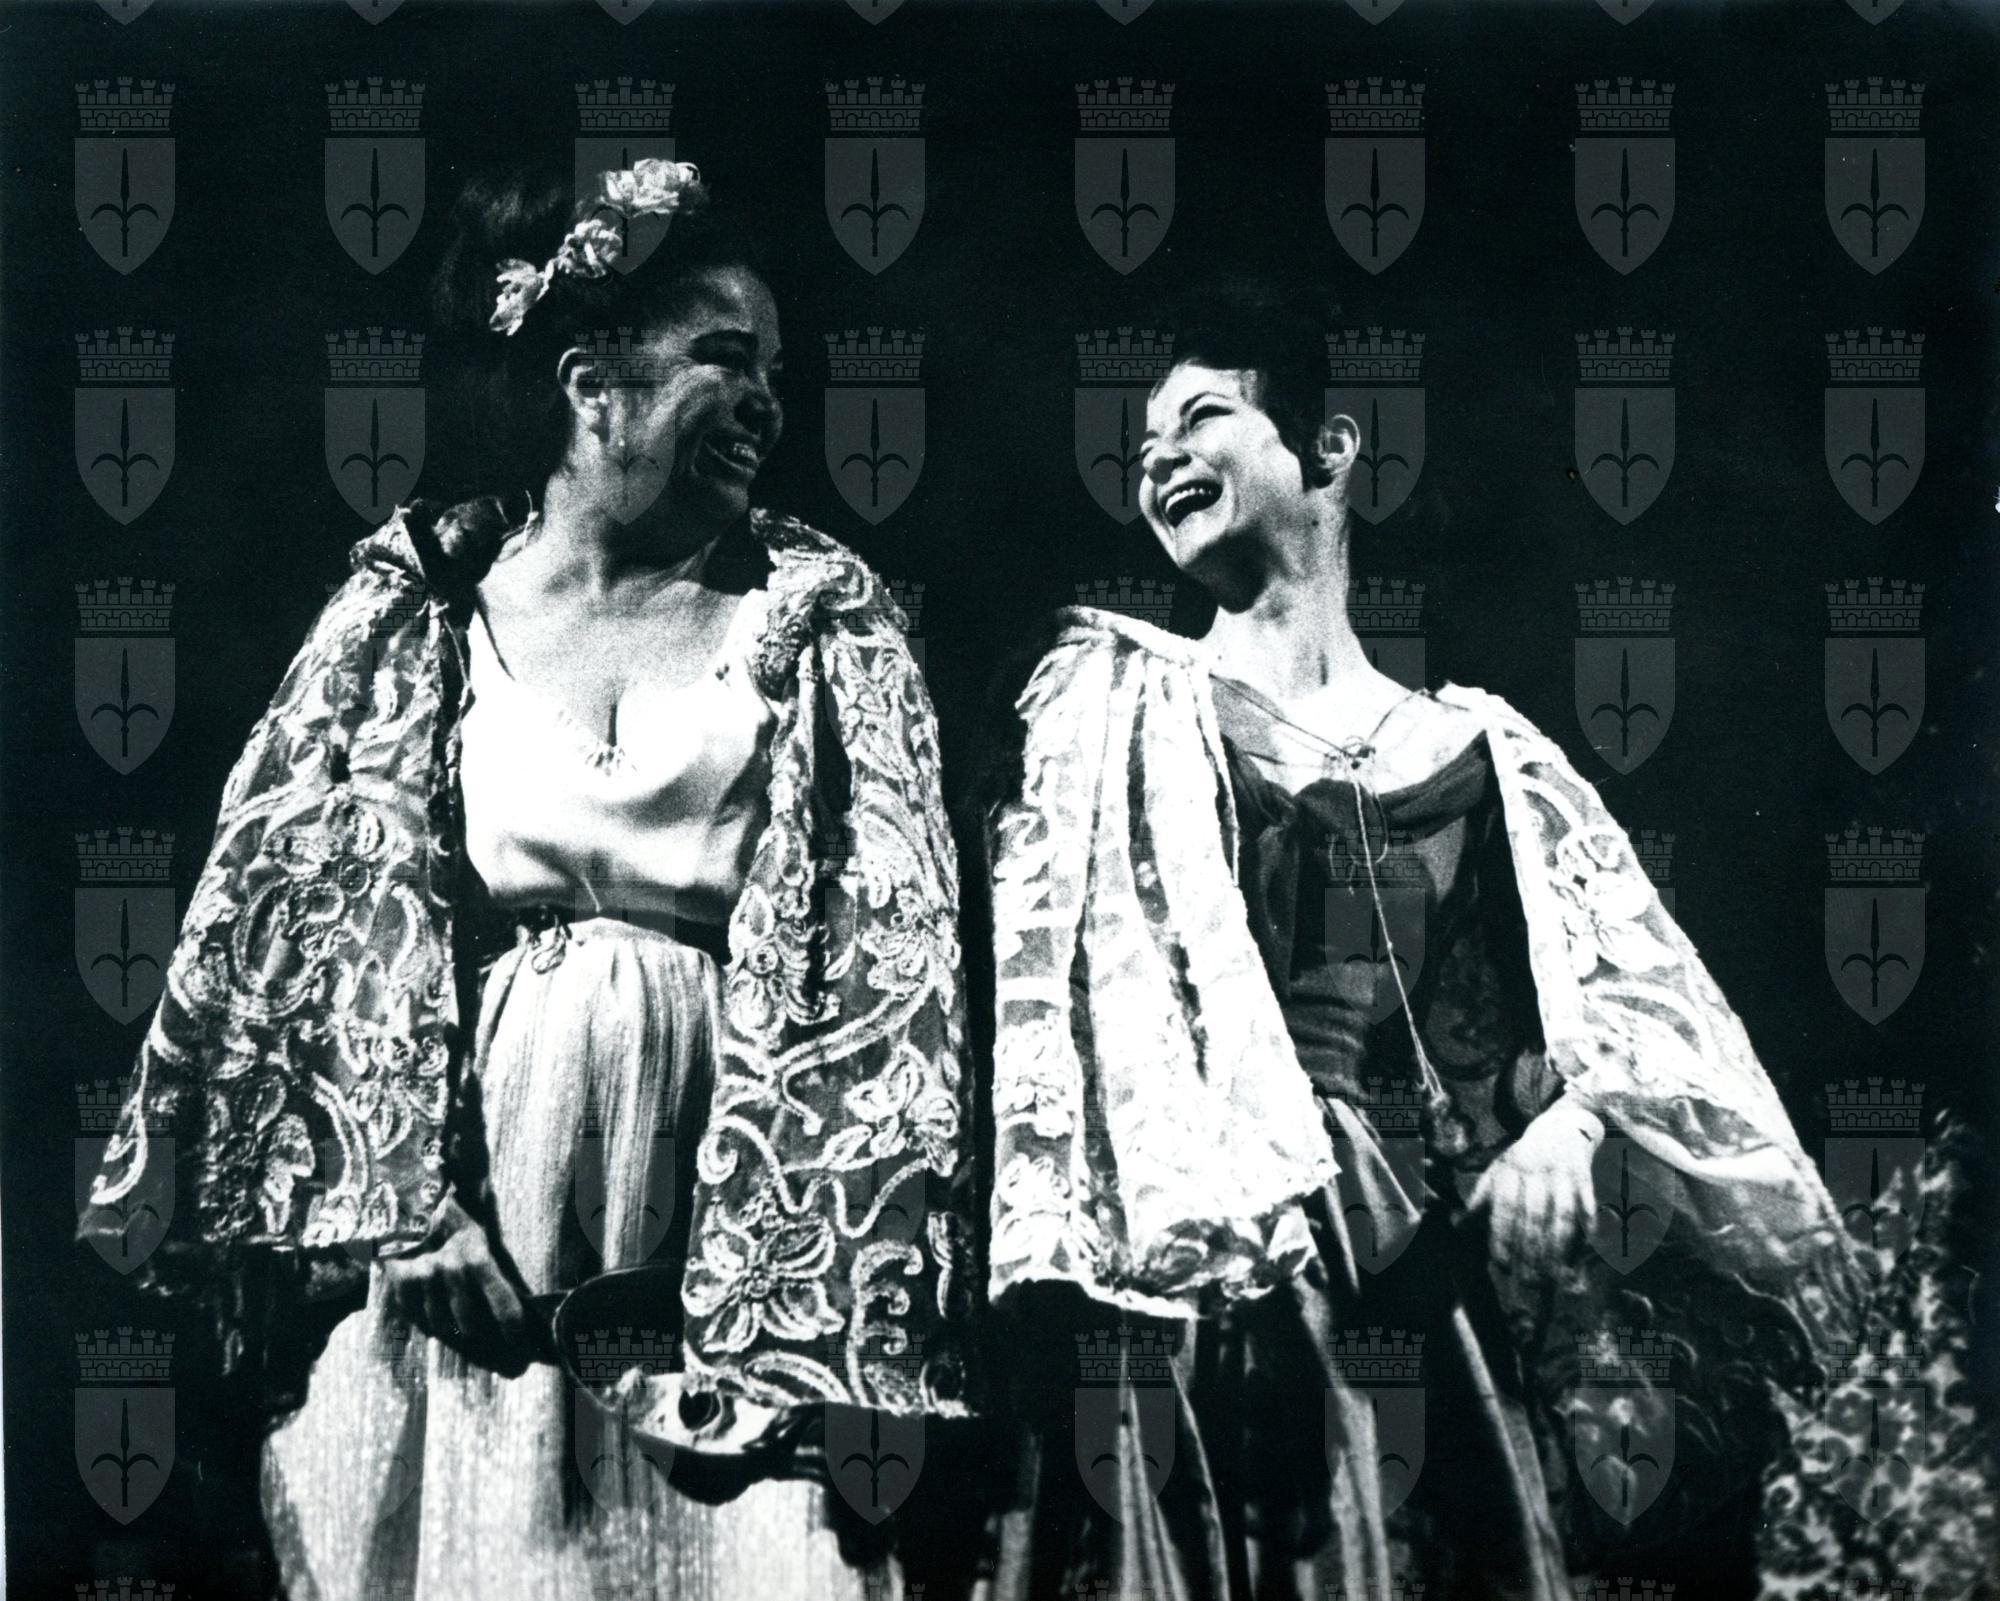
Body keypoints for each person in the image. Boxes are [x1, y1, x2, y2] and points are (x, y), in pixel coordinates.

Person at [80, 158, 974, 1601]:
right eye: (725, 357)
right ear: (590, 383)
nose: (767, 400)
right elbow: (305, 925)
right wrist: (402, 1209)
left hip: (720, 1186)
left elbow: (892, 967)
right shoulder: (414, 611)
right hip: (486, 1185)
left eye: (777, 372)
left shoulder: (819, 619)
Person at [966, 283, 1862, 1599]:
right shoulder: (1110, 701)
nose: (1155, 459)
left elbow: (1629, 1014)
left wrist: (1572, 1125)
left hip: (1403, 1248)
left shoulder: (1482, 751)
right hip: (1189, 1236)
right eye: (1141, 442)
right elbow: (1047, 1015)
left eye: (1200, 417)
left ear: (1328, 448)